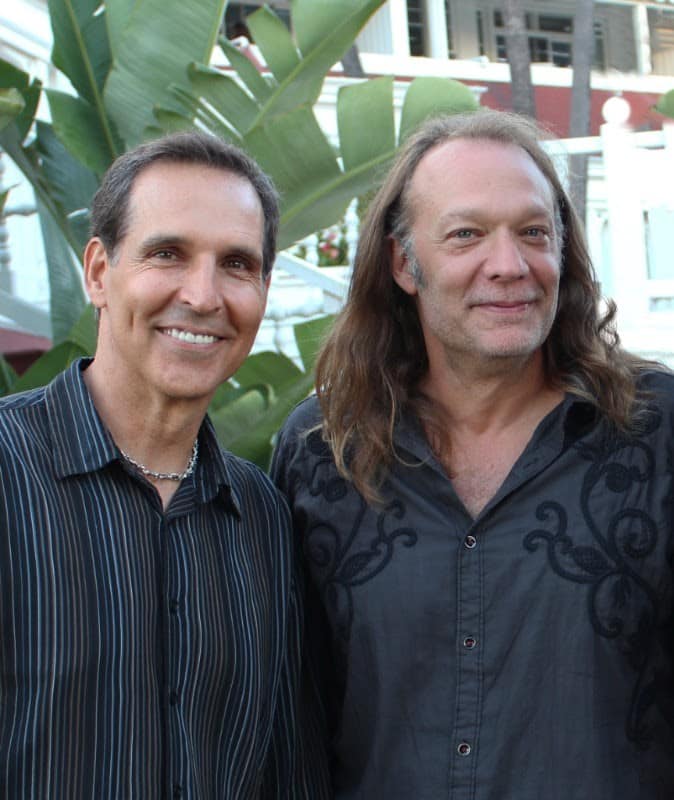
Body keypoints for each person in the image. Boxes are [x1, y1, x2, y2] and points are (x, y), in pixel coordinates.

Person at [271, 109, 674, 799]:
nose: (510, 265)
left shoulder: (655, 430)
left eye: (534, 232)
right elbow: (292, 713)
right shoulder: (323, 449)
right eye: (466, 234)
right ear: (404, 264)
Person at [0, 131, 329, 798]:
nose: (203, 296)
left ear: (264, 291)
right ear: (99, 272)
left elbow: (285, 769)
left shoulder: (262, 515)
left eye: (236, 264)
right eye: (167, 253)